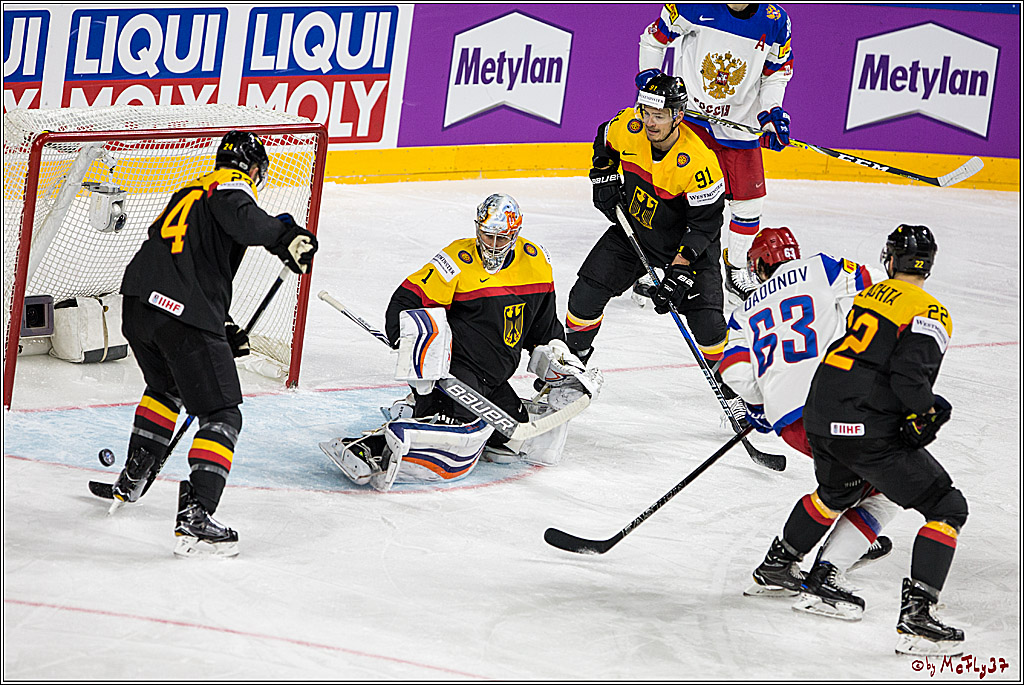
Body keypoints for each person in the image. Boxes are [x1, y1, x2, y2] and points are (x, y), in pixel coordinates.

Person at [751, 225, 965, 655]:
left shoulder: (872, 296)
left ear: (890, 259)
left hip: (820, 414)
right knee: (946, 506)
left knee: (836, 492)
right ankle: (917, 618)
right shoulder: (932, 312)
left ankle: (779, 565)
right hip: (863, 427)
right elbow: (909, 377)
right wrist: (927, 411)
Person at [113, 130, 318, 557]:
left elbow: (184, 258)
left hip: (138, 304)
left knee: (166, 388)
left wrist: (219, 324)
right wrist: (284, 236)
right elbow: (241, 216)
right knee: (221, 412)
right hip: (180, 312)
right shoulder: (230, 185)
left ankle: (134, 474)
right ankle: (196, 516)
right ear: (254, 169)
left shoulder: (188, 192)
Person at [320, 194, 602, 491]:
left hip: (493, 377)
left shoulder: (535, 263)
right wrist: (406, 339)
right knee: (454, 436)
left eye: (500, 237)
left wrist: (559, 356)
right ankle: (369, 445)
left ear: (515, 234)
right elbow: (406, 300)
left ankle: (413, 410)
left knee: (518, 438)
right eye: (486, 235)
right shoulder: (455, 260)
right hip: (456, 371)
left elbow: (543, 328)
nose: (492, 244)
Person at [720, 226, 898, 617]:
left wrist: (762, 403)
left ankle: (790, 562)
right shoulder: (819, 268)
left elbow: (732, 372)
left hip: (790, 418)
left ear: (758, 265)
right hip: (833, 403)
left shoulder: (741, 313)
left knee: (855, 482)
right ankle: (826, 567)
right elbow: (877, 280)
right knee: (883, 483)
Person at [567, 72, 727, 371]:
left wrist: (681, 268)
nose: (650, 123)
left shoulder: (699, 161)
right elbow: (604, 139)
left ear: (678, 116)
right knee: (584, 296)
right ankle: (572, 366)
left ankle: (734, 393)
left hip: (684, 247)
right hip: (635, 232)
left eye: (659, 115)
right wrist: (603, 173)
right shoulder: (630, 126)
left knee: (709, 328)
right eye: (645, 112)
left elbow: (705, 225)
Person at [639, 3, 794, 303]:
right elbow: (654, 38)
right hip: (691, 119)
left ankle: (736, 271)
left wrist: (771, 111)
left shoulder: (776, 20)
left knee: (749, 204)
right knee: (672, 194)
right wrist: (651, 78)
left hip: (739, 124)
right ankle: (658, 263)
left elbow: (776, 72)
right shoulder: (694, 5)